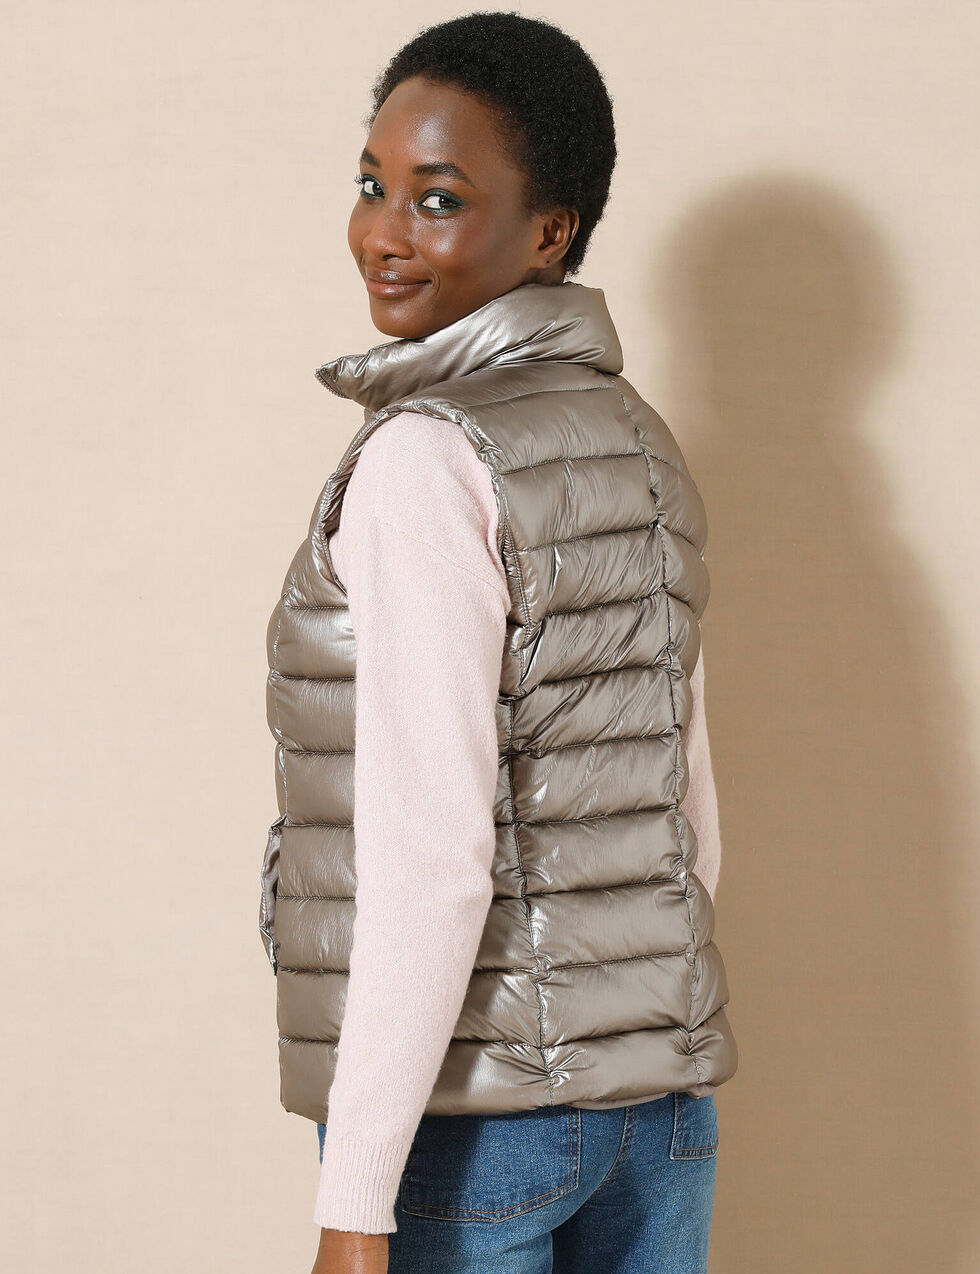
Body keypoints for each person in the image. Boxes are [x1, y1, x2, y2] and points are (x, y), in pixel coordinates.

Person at [259, 13, 738, 1274]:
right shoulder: (635, 440)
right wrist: (636, 1046)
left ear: (547, 232)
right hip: (658, 1115)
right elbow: (688, 818)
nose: (382, 232)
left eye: (438, 199)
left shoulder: (424, 460)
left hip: (473, 1126)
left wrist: (357, 1197)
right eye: (372, 184)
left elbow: (430, 860)